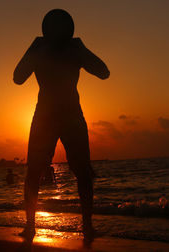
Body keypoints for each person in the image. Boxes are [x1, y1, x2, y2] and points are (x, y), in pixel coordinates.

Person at [13, 9, 109, 242]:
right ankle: (30, 225)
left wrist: (82, 50)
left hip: (71, 115)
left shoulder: (74, 50)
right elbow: (17, 77)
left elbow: (104, 72)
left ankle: (87, 226)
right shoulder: (39, 49)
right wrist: (32, 50)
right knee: (34, 171)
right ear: (47, 30)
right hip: (45, 115)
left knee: (83, 171)